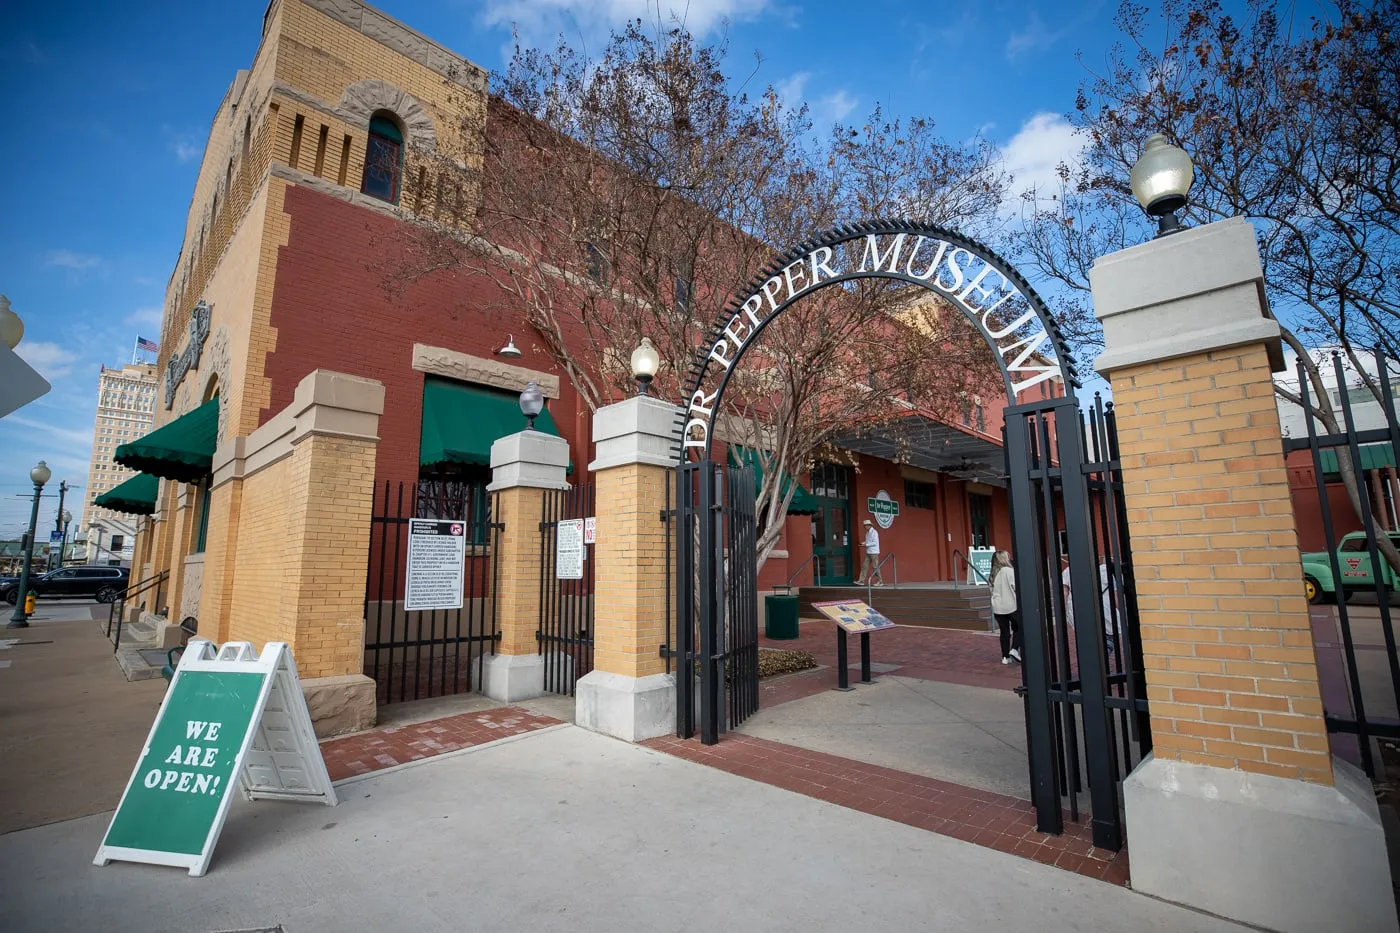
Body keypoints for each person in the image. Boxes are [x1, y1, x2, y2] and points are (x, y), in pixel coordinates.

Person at [990, 549, 1021, 664]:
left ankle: (1005, 657)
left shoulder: (993, 573)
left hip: (998, 607)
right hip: (1011, 605)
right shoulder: (1009, 571)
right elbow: (1015, 587)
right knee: (1020, 627)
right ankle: (1014, 649)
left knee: (1004, 631)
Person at [856, 519, 884, 586]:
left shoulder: (874, 532)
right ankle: (861, 581)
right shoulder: (867, 533)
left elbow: (875, 543)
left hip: (874, 552)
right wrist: (863, 543)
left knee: (875, 567)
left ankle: (880, 581)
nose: (865, 527)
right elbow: (868, 541)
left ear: (869, 525)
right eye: (864, 526)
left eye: (866, 525)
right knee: (864, 566)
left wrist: (866, 544)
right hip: (869, 552)